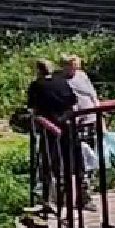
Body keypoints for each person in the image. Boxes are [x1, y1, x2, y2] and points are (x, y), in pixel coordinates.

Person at [26, 59, 86, 211]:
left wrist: (48, 124)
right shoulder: (62, 82)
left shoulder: (36, 85)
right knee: (71, 163)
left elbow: (34, 110)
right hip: (68, 126)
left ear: (39, 70)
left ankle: (48, 200)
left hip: (50, 129)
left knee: (48, 163)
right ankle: (73, 200)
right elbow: (73, 102)